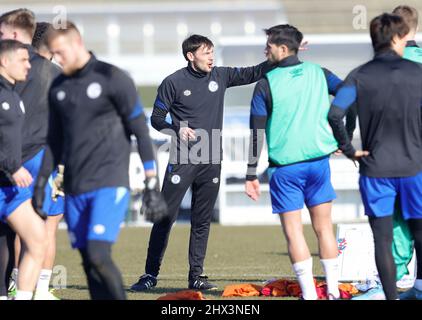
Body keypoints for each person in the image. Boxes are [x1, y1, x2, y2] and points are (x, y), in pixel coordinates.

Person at [130, 34, 276, 292]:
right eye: (206, 52)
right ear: (190, 56)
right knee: (165, 218)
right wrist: (176, 129)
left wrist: (279, 57)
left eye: (212, 52)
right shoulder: (173, 82)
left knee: (202, 220)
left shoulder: (220, 76)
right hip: (183, 159)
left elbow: (253, 72)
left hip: (212, 159)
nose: (211, 57)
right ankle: (150, 275)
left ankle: (196, 276)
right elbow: (156, 118)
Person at [32, 21, 167, 300]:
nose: (57, 60)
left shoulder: (112, 77)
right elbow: (54, 141)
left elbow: (140, 133)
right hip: (74, 187)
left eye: (60, 53)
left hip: (109, 182)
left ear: (77, 44)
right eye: (53, 54)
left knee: (98, 253)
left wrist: (152, 182)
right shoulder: (58, 86)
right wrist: (42, 180)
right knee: (87, 262)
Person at [244, 24, 343, 300]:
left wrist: (251, 173)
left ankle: (310, 295)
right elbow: (348, 93)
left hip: (286, 169)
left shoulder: (265, 84)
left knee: (294, 233)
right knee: (325, 229)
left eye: (269, 46)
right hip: (318, 163)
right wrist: (340, 136)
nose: (266, 50)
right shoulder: (320, 73)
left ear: (283, 48)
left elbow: (256, 133)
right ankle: (333, 292)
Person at [328, 13, 422, 300]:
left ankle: (390, 297)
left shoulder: (360, 75)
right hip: (414, 167)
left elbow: (335, 114)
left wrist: (348, 149)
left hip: (376, 169)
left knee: (383, 238)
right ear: (397, 38)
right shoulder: (418, 72)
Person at [0, 9, 64, 300]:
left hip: (25, 168)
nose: (28, 65)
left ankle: (24, 291)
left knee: (32, 236)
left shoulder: (15, 88)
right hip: (26, 166)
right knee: (35, 233)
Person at [0, 39, 47, 300]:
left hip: (9, 189)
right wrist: (12, 166)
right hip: (6, 180)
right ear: (4, 61)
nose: (29, 65)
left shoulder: (13, 94)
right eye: (23, 60)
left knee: (36, 240)